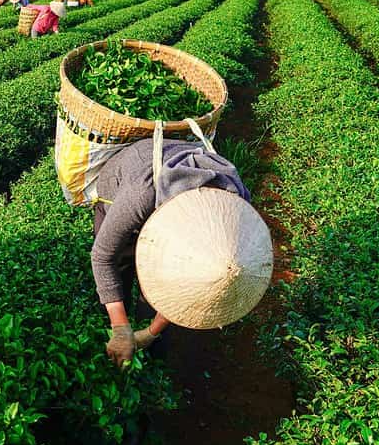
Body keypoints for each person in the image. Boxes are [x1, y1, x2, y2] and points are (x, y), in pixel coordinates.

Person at [93, 127, 270, 367]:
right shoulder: (139, 196)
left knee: (159, 291)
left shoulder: (234, 206)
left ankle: (153, 363)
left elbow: (184, 288)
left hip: (171, 196)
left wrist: (152, 332)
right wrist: (120, 327)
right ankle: (112, 330)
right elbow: (103, 257)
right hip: (126, 181)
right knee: (121, 266)